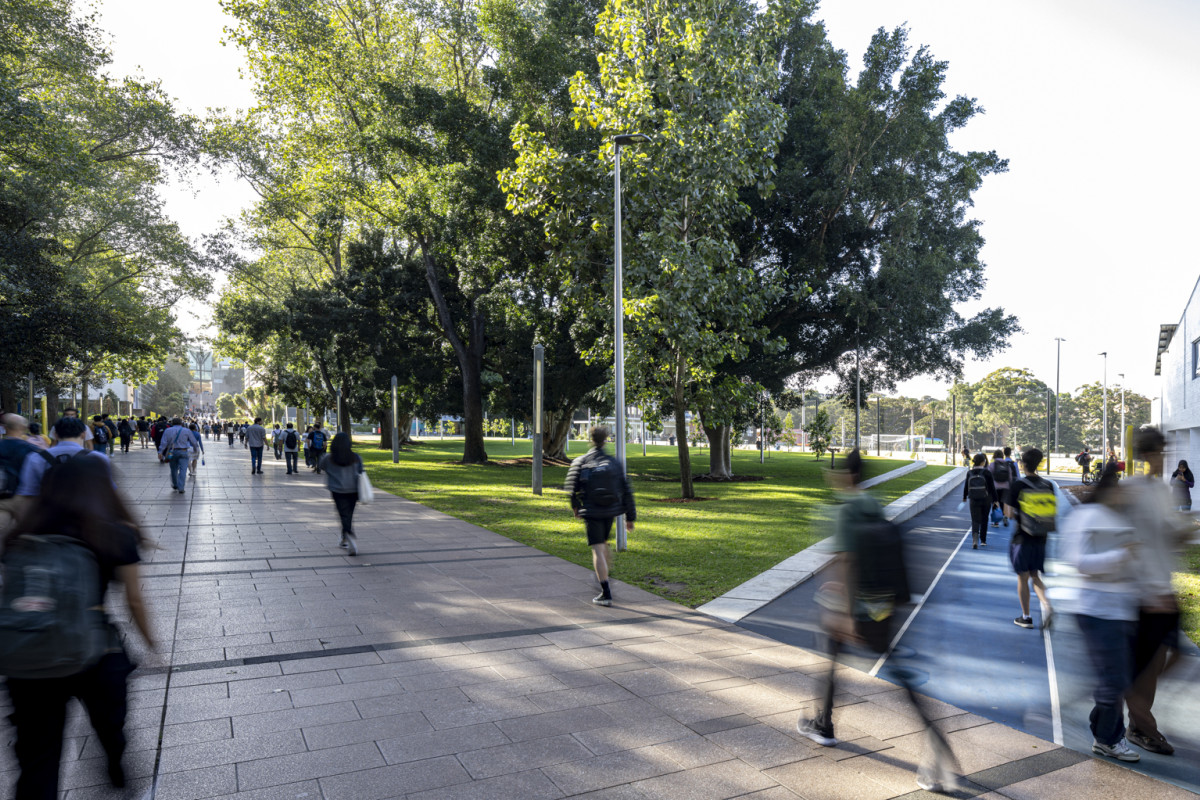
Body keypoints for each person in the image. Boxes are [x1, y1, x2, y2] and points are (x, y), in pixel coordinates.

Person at [797, 449, 961, 793]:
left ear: (844, 476)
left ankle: (825, 725)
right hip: (883, 605)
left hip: (856, 610)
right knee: (896, 673)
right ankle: (824, 722)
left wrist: (843, 614)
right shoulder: (873, 504)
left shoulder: (844, 511)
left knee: (832, 653)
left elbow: (846, 561)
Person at [2, 456, 155, 798]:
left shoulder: (23, 532)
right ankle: (115, 764)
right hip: (94, 651)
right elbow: (134, 600)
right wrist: (151, 643)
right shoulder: (113, 532)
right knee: (111, 723)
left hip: (29, 655)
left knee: (38, 757)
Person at [1061, 464, 1141, 762]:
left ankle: (1103, 732)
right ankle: (1107, 738)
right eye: (1119, 487)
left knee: (1115, 678)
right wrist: (1122, 555)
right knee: (1114, 680)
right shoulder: (1086, 517)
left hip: (1121, 609)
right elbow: (1079, 562)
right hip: (1096, 610)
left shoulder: (1119, 518)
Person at [1122, 427, 1191, 756]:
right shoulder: (1131, 490)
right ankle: (1140, 724)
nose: (1164, 459)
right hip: (1145, 593)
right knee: (1148, 663)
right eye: (1160, 453)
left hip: (1164, 586)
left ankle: (1135, 710)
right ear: (1148, 456)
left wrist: (1190, 528)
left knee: (1172, 656)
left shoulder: (1162, 491)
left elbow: (1170, 534)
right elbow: (1126, 540)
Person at [564, 425, 636, 607]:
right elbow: (626, 489)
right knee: (603, 544)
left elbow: (571, 488)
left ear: (590, 439)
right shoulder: (614, 462)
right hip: (610, 510)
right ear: (606, 440)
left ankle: (605, 591)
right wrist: (630, 517)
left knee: (597, 549)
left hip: (592, 511)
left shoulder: (582, 461)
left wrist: (575, 507)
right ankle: (604, 575)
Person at [1006, 447, 1056, 630]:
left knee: (1023, 577)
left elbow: (1009, 513)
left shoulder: (1018, 485)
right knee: (1036, 575)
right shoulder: (1048, 485)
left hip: (1022, 537)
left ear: (1023, 464)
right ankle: (1048, 606)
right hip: (1042, 538)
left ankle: (1026, 617)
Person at [319, 432, 364, 555]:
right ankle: (346, 536)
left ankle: (348, 535)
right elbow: (361, 471)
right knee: (349, 513)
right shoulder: (356, 457)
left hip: (337, 490)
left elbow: (321, 467)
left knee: (343, 514)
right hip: (353, 490)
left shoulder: (328, 458)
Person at [0, 414, 37, 535]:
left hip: (2, 497)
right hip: (24, 497)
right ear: (24, 428)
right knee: (25, 535)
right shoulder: (32, 449)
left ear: (4, 428)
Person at [962, 453, 996, 549]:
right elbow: (992, 488)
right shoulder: (987, 473)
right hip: (986, 499)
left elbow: (966, 486)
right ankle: (983, 540)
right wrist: (995, 500)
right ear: (982, 462)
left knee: (975, 519)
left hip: (973, 498)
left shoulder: (970, 473)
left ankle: (975, 539)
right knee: (984, 519)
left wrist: (964, 497)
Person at [157, 418, 194, 494]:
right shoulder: (187, 430)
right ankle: (181, 487)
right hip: (184, 451)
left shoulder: (168, 430)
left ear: (172, 423)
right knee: (183, 470)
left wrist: (160, 452)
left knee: (173, 469)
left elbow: (164, 442)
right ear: (181, 423)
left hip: (172, 452)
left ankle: (175, 484)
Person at [990, 449, 1014, 529]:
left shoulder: (992, 464)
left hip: (995, 487)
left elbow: (989, 476)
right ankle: (1005, 516)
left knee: (995, 503)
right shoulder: (1007, 465)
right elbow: (1010, 477)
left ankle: (996, 522)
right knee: (1003, 503)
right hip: (1005, 487)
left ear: (994, 456)